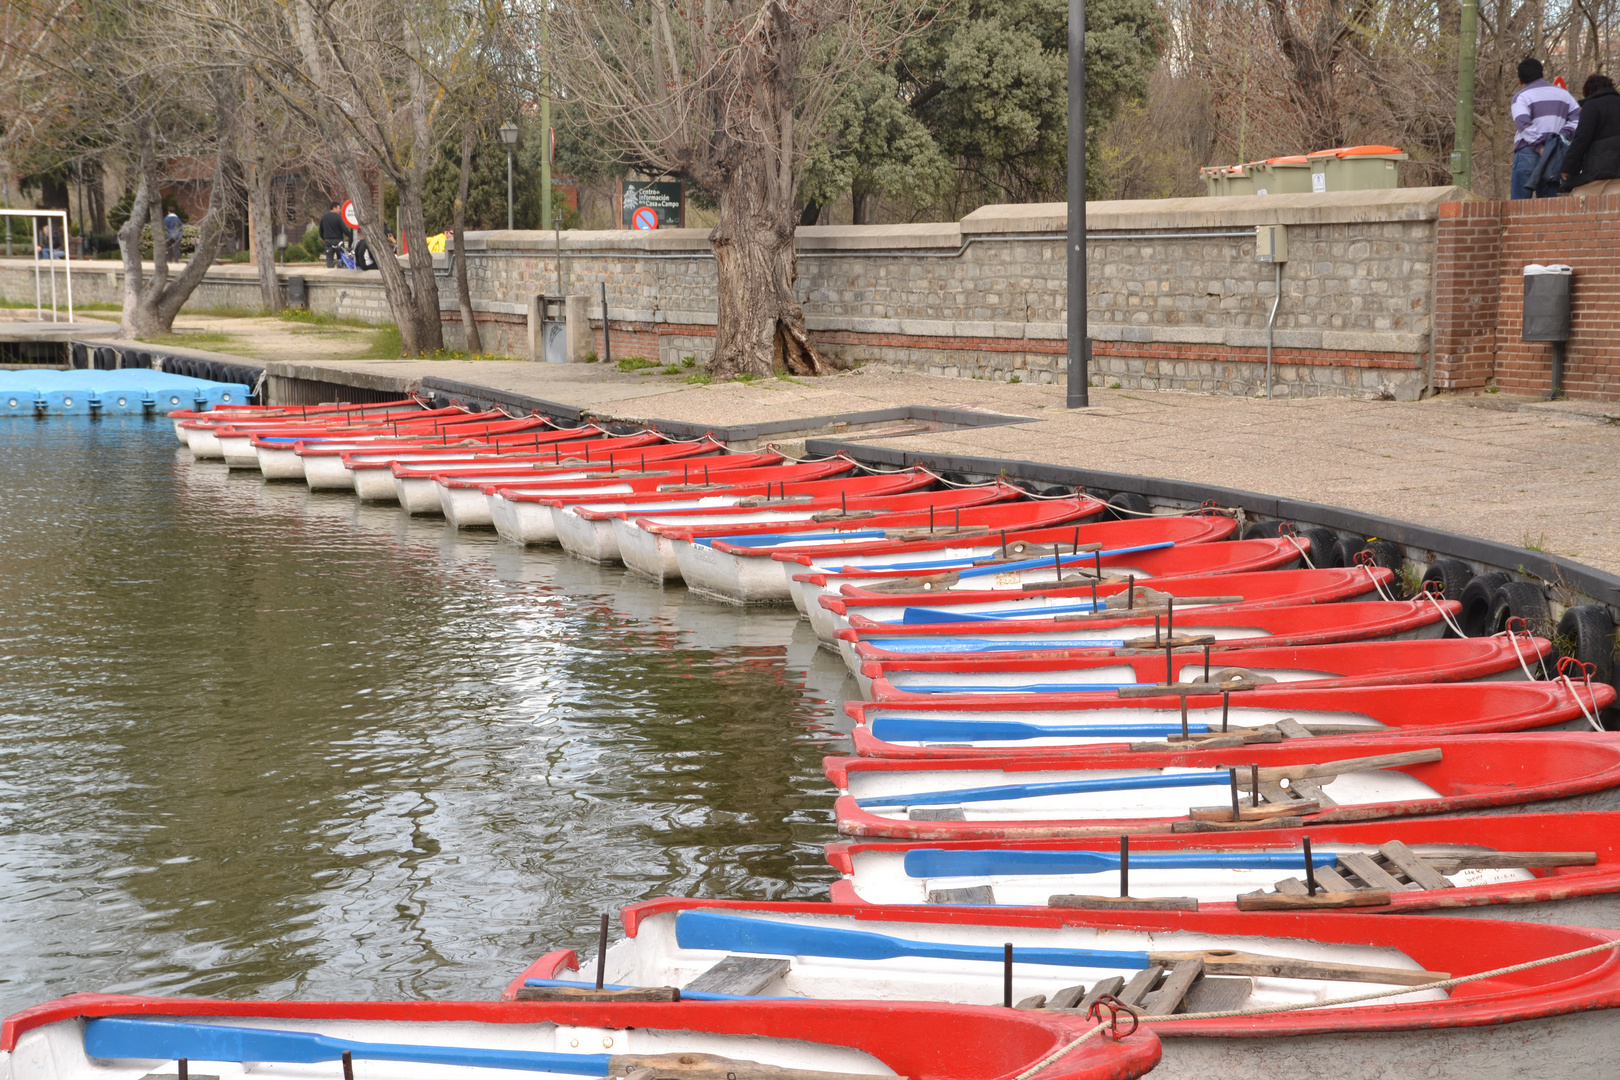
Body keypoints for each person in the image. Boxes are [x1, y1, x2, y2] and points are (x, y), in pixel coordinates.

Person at [1511, 58, 1580, 199]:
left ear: (1520, 80)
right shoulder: (1563, 94)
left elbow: (1523, 124)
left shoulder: (1521, 97)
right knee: (1549, 206)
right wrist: (1560, 138)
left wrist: (1540, 147)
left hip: (1527, 153)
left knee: (1518, 207)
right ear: (1543, 73)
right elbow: (1578, 118)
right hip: (1554, 154)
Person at [1561, 73, 1620, 195]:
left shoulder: (1592, 106)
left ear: (1588, 91)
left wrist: (1567, 167)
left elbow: (1581, 139)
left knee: (1579, 201)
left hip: (1598, 170)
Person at [319, 201, 346, 268]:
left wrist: (323, 238)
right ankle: (340, 271)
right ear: (334, 208)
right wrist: (349, 235)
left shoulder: (324, 217)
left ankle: (330, 270)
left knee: (329, 258)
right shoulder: (338, 217)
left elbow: (321, 229)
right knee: (340, 257)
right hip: (338, 240)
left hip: (328, 240)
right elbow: (344, 229)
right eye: (339, 208)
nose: (340, 210)